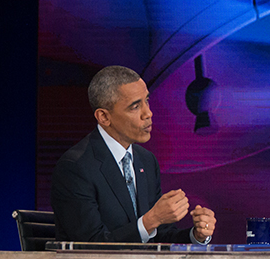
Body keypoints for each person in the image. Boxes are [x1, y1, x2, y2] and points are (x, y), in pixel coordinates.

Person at [51, 65, 216, 243]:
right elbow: (90, 245)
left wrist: (197, 236)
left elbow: (158, 237)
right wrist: (151, 220)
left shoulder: (146, 160)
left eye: (147, 100)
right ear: (104, 117)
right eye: (135, 107)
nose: (148, 113)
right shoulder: (75, 167)